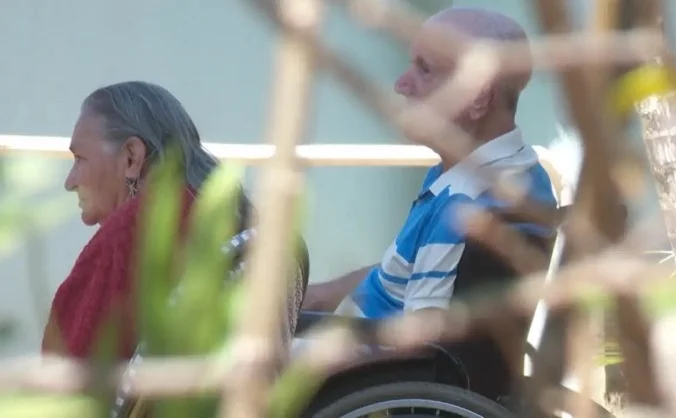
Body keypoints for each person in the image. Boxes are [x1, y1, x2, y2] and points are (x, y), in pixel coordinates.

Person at [302, 7, 557, 318]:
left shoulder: (461, 207)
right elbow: (402, 276)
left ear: (479, 97)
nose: (401, 85)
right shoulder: (521, 172)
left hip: (359, 346)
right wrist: (315, 296)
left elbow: (422, 339)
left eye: (424, 70)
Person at [41, 81, 306, 360]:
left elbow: (70, 371)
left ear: (131, 157)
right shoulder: (225, 221)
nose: (70, 182)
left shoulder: (136, 229)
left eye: (79, 159)